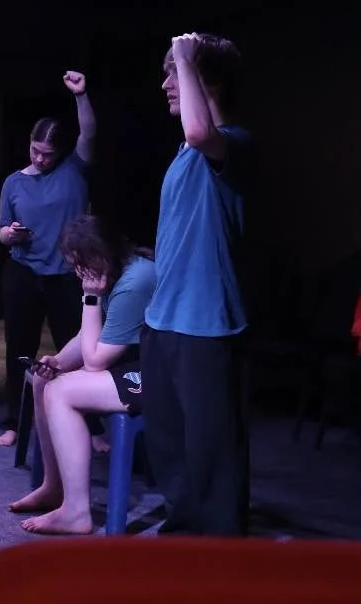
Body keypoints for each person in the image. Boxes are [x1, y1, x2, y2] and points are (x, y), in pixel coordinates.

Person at [142, 32, 252, 536]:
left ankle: (222, 553)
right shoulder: (184, 154)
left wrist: (186, 53)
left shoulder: (233, 142)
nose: (166, 83)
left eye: (176, 72)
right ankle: (184, 535)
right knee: (171, 443)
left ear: (209, 80)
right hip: (165, 318)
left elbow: (198, 130)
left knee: (213, 448)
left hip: (207, 322)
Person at [8, 214, 155, 534]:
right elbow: (91, 337)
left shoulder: (134, 281)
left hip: (158, 374)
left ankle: (76, 511)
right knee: (44, 379)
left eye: (81, 264)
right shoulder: (114, 272)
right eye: (74, 266)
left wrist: (90, 298)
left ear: (102, 252)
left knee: (62, 391)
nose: (79, 274)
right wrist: (58, 360)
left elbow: (95, 361)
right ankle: (54, 486)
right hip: (130, 363)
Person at [0, 71, 97, 447]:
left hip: (67, 276)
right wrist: (12, 233)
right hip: (23, 271)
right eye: (35, 150)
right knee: (19, 349)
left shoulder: (74, 169)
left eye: (47, 154)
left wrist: (81, 95)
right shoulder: (14, 182)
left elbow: (88, 133)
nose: (39, 157)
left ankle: (90, 425)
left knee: (77, 351)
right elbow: (2, 232)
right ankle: (14, 422)